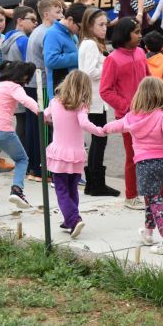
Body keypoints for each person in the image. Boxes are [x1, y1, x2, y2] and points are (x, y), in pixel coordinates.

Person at [105, 77, 163, 255]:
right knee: (151, 197)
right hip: (162, 163)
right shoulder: (162, 116)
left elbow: (117, 125)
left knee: (154, 200)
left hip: (144, 163)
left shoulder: (131, 117)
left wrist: (102, 129)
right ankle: (148, 232)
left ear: (140, 95)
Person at [99, 17, 163, 209]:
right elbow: (105, 90)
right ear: (125, 34)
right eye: (137, 32)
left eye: (140, 32)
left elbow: (149, 78)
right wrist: (127, 107)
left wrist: (157, 100)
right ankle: (131, 196)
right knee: (134, 156)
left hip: (150, 113)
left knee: (159, 152)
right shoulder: (113, 59)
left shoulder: (141, 52)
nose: (141, 36)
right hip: (128, 118)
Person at [45, 70, 106, 238]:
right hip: (76, 154)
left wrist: (47, 118)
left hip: (59, 154)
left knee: (61, 189)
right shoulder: (81, 106)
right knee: (72, 188)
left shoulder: (54, 103)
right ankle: (69, 219)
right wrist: (99, 131)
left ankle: (73, 219)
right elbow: (84, 123)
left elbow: (44, 115)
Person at [0, 61, 39, 222]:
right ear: (24, 76)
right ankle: (17, 189)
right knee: (22, 159)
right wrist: (43, 114)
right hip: (2, 130)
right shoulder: (15, 87)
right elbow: (27, 101)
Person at [77, 7, 119, 197]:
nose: (105, 28)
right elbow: (88, 71)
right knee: (99, 140)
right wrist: (109, 69)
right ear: (89, 25)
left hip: (98, 100)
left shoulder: (95, 44)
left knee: (99, 141)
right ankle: (95, 184)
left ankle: (95, 183)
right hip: (93, 100)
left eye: (106, 24)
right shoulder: (90, 45)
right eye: (100, 25)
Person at [25, 0, 64, 181]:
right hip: (42, 84)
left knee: (35, 126)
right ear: (46, 14)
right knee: (45, 127)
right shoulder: (47, 33)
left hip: (33, 83)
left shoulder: (37, 31)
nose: (61, 16)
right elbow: (50, 61)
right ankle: (44, 169)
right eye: (58, 12)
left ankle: (34, 166)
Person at [2, 5, 38, 146]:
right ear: (20, 21)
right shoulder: (24, 41)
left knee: (20, 122)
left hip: (9, 84)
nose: (36, 23)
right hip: (22, 87)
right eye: (32, 19)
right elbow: (29, 66)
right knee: (24, 124)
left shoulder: (8, 36)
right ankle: (23, 156)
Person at [43, 3, 86, 97]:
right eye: (80, 27)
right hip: (60, 91)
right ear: (70, 19)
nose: (81, 31)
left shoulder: (71, 33)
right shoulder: (53, 34)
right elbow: (51, 60)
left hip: (72, 89)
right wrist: (80, 55)